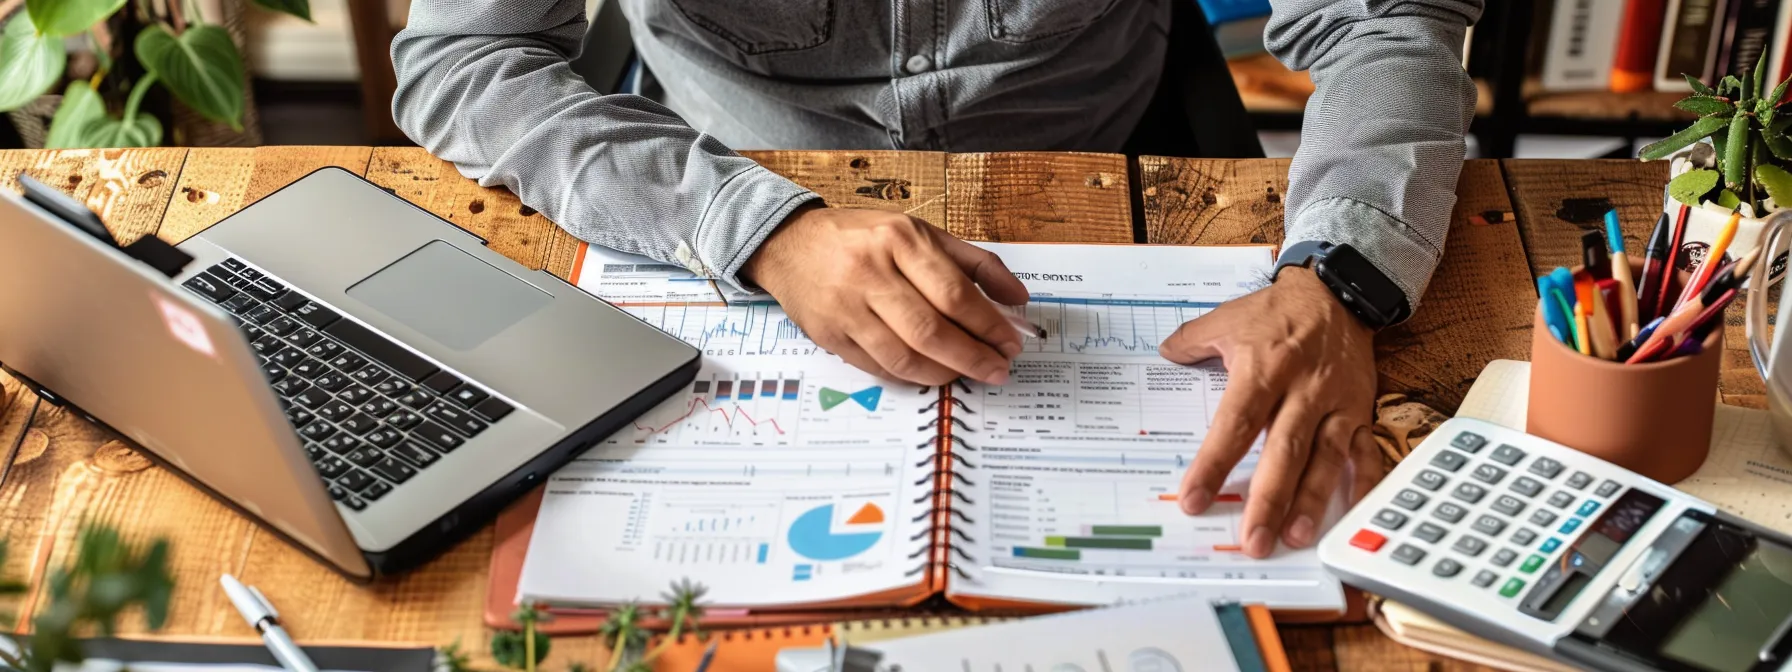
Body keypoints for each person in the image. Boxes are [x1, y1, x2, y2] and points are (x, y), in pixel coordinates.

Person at [390, 0, 1483, 558]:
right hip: (722, 186)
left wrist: (1343, 278)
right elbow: (463, 62)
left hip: (1114, 160)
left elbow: (1387, 17)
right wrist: (757, 229)